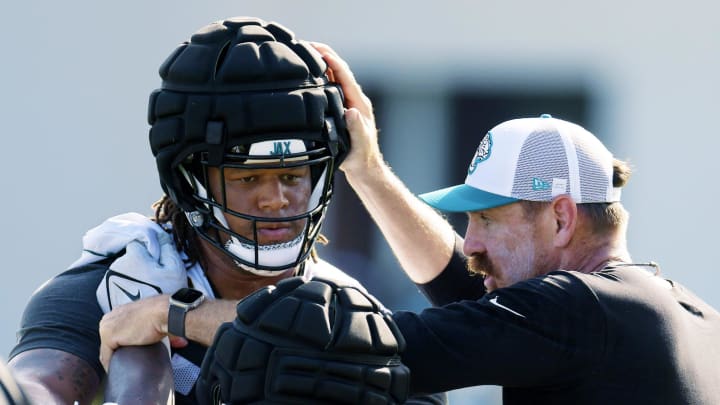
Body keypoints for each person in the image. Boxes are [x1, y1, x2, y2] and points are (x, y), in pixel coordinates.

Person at [7, 17, 444, 404]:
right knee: (137, 361)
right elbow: (39, 386)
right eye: (247, 178)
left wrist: (176, 316)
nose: (276, 199)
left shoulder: (358, 314)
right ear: (190, 181)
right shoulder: (115, 288)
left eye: (293, 175)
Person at [307, 44, 720, 403]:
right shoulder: (694, 317)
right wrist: (368, 171)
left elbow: (373, 348)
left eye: (488, 219)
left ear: (561, 218)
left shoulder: (575, 308)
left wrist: (255, 321)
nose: (471, 244)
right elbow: (461, 285)